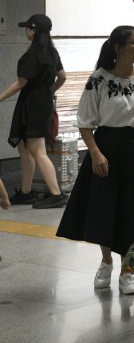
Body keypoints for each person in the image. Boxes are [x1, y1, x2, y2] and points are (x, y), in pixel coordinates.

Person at [56, 25, 134, 296]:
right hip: (106, 147)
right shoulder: (99, 79)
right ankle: (105, 261)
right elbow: (86, 121)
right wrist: (95, 153)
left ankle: (129, 269)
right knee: (105, 205)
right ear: (118, 47)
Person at [0, 13, 68, 208]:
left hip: (32, 104)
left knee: (37, 150)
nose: (25, 31)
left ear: (34, 31)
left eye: (27, 28)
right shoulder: (52, 52)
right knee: (24, 147)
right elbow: (62, 77)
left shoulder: (32, 55)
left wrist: (0, 97)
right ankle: (26, 191)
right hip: (42, 102)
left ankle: (56, 194)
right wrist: (49, 92)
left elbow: (21, 83)